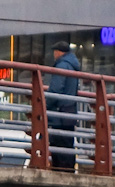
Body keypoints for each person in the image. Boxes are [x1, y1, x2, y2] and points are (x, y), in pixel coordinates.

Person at [48, 42, 81, 171]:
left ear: (59, 52)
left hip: (59, 112)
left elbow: (55, 90)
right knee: (68, 144)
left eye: (55, 51)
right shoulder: (73, 66)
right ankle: (69, 171)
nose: (54, 54)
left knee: (57, 144)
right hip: (70, 110)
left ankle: (60, 172)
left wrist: (45, 104)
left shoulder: (62, 66)